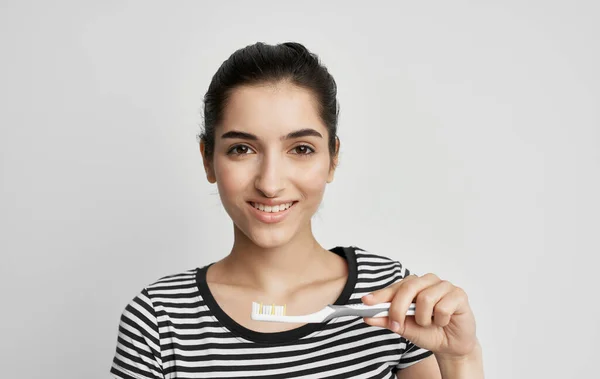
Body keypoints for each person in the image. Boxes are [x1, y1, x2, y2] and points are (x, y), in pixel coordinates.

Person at [110, 41, 483, 379]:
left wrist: (461, 359)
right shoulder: (158, 320)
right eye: (242, 149)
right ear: (208, 160)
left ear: (333, 158)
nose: (270, 183)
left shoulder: (390, 297)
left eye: (301, 148)